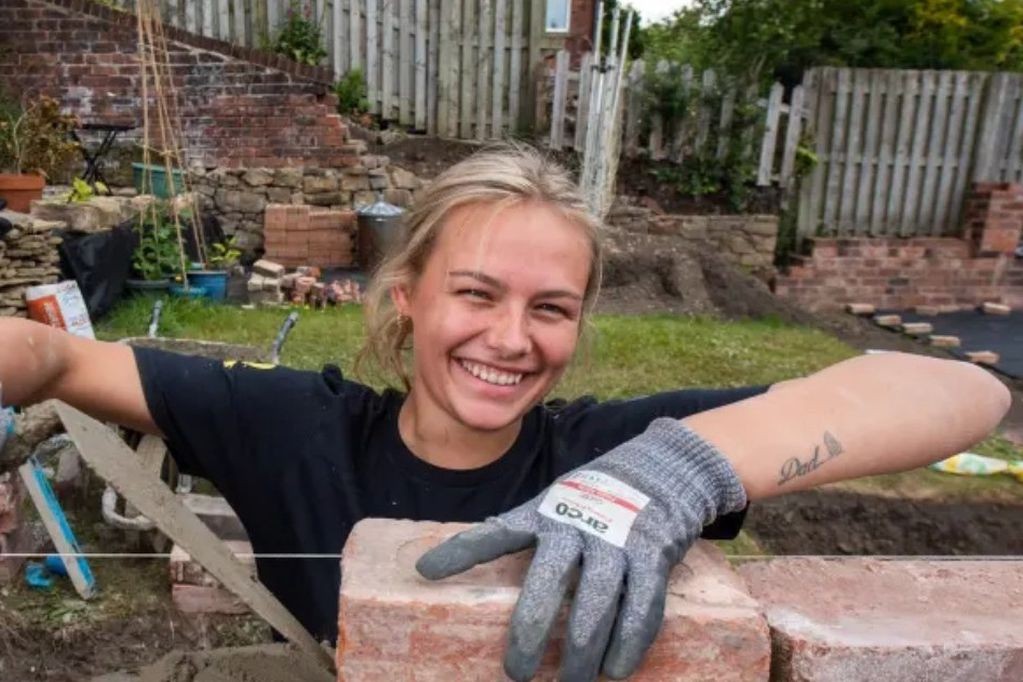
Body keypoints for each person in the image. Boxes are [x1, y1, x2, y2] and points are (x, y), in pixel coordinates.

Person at [0, 146, 1010, 682]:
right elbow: (51, 354)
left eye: (551, 308)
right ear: (409, 298)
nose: (511, 338)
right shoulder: (294, 429)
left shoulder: (612, 454)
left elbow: (965, 391)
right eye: (476, 294)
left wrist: (686, 468)